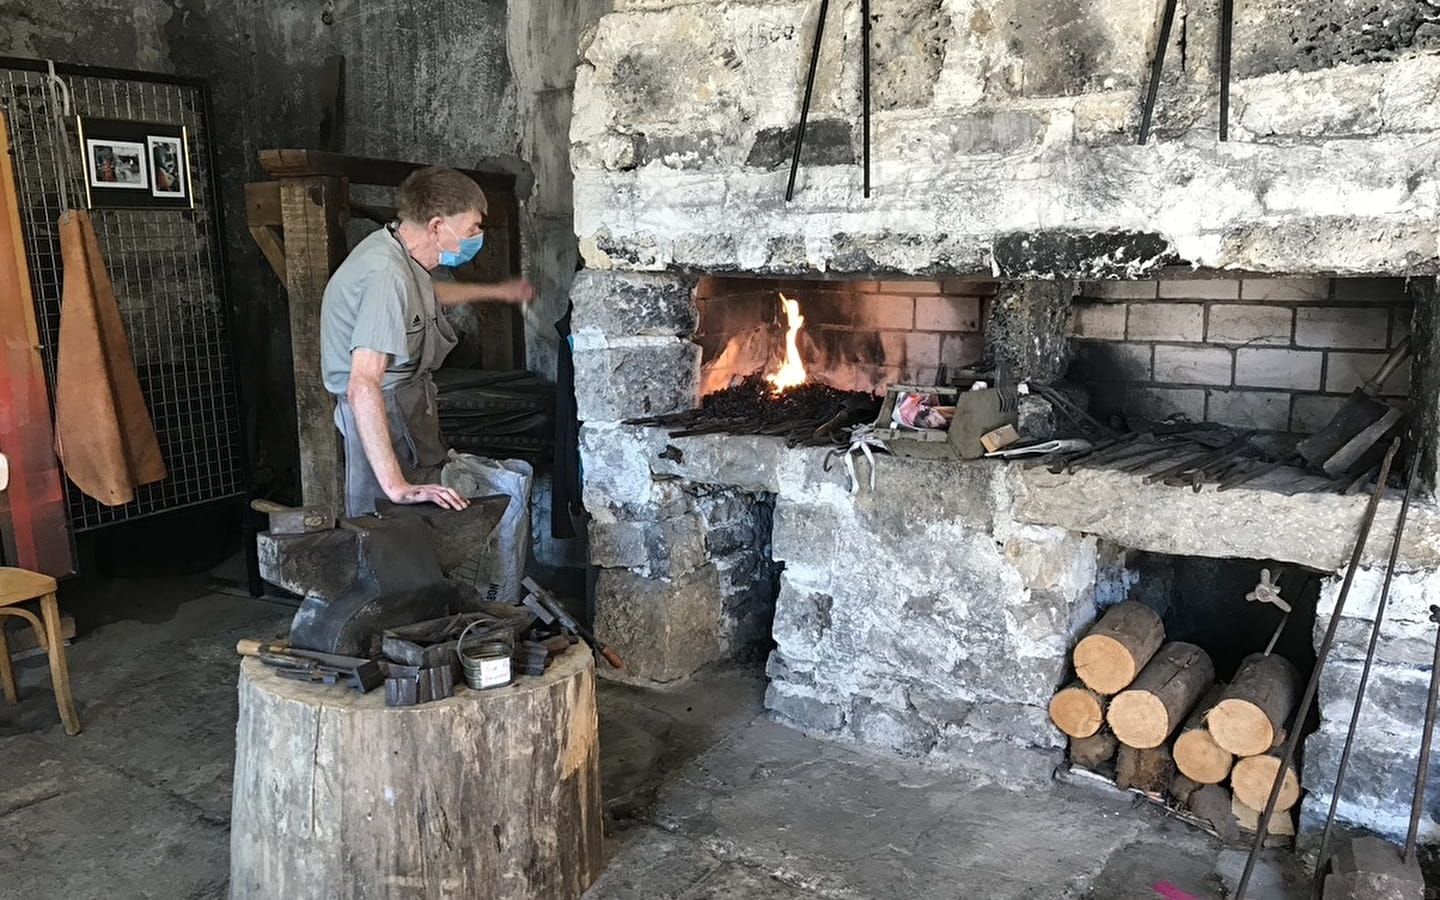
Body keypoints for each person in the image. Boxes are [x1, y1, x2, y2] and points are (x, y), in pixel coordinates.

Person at [319, 166, 533, 517]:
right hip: (381, 415)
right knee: (389, 533)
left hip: (405, 405)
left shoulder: (402, 254)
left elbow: (427, 294)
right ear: (437, 227)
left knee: (423, 523)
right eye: (473, 228)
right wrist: (397, 487)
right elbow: (363, 385)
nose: (478, 236)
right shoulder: (386, 274)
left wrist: (494, 291)